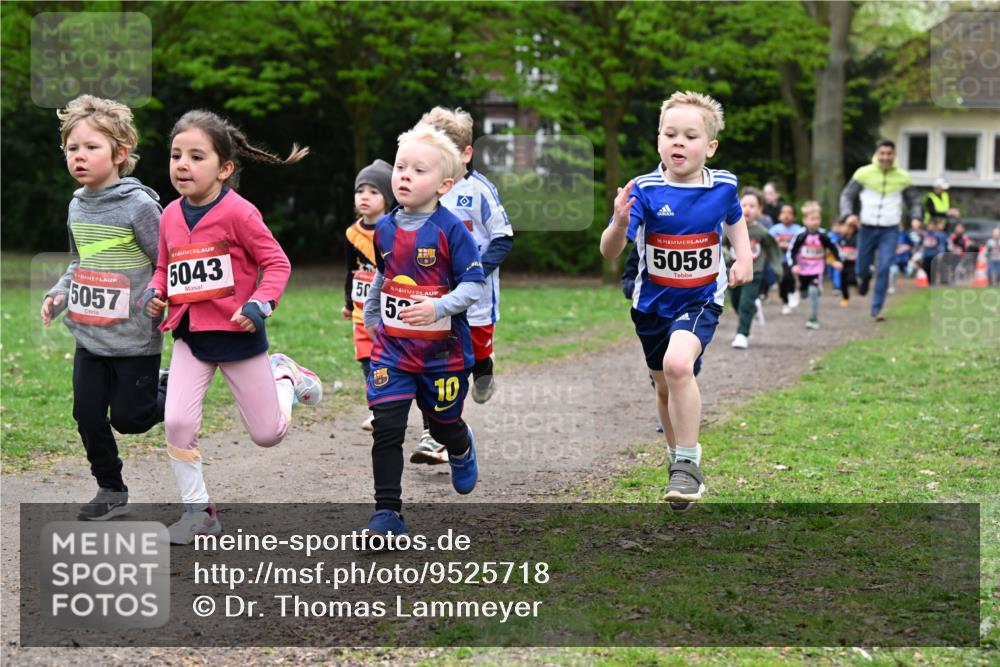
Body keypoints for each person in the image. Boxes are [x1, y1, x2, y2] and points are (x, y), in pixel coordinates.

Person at [142, 110, 322, 544]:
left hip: (238, 335)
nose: (182, 165)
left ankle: (284, 375)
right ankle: (199, 513)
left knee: (267, 434)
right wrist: (155, 291)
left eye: (196, 156)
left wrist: (261, 303)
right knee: (177, 422)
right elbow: (164, 267)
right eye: (176, 155)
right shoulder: (169, 215)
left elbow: (276, 263)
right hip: (191, 336)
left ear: (224, 169)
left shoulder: (240, 213)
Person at [599, 91, 753, 510]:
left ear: (710, 147)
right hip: (652, 306)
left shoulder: (723, 185)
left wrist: (744, 256)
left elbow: (734, 217)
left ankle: (687, 463)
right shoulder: (643, 190)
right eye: (670, 134)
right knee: (664, 386)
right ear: (658, 141)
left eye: (690, 136)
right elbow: (609, 252)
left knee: (678, 365)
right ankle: (678, 460)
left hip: (701, 299)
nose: (678, 142)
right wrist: (618, 223)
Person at [40, 95, 166, 521]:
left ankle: (172, 387)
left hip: (135, 337)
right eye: (72, 148)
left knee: (132, 420)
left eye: (91, 147)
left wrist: (159, 294)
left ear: (119, 153)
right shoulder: (77, 204)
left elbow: (165, 262)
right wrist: (59, 294)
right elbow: (80, 261)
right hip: (91, 335)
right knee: (87, 414)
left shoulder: (139, 206)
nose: (79, 156)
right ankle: (111, 488)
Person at [361, 124, 486, 538]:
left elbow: (473, 285)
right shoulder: (384, 228)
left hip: (442, 354)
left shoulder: (451, 230)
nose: (405, 176)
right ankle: (387, 513)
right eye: (401, 167)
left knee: (443, 423)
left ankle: (460, 445)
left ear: (443, 185)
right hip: (393, 350)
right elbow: (384, 274)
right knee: (387, 427)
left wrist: (438, 306)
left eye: (418, 170)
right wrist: (373, 314)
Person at [409, 106, 514, 464]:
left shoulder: (480, 191)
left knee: (473, 357)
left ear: (465, 154)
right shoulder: (424, 191)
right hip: (433, 300)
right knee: (433, 366)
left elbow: (503, 238)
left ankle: (484, 366)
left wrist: (473, 273)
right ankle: (433, 435)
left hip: (477, 302)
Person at [839, 139, 923, 321]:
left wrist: (916, 217)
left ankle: (876, 309)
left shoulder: (903, 177)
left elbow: (914, 200)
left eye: (889, 154)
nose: (885, 157)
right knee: (861, 269)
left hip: (890, 229)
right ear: (877, 154)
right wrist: (848, 215)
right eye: (882, 153)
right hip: (866, 227)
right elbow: (847, 195)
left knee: (884, 267)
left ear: (894, 155)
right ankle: (864, 278)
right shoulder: (864, 173)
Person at [343, 159, 395, 432]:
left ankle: (394, 405)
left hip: (390, 312)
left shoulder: (396, 229)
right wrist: (348, 304)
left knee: (390, 363)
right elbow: (350, 272)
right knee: (367, 361)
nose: (365, 196)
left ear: (387, 198)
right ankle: (378, 411)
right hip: (361, 312)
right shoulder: (352, 233)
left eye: (374, 192)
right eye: (360, 190)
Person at [724, 187, 782, 349]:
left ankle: (742, 334)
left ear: (760, 210)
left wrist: (777, 270)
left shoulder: (761, 232)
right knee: (736, 303)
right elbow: (721, 244)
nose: (747, 209)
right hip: (733, 272)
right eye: (744, 205)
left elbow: (773, 250)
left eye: (752, 206)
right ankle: (754, 308)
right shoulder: (730, 228)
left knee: (745, 303)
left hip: (754, 272)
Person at [789, 201, 843, 329]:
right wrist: (794, 265)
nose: (815, 221)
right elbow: (792, 251)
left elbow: (834, 247)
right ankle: (803, 289)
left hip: (817, 269)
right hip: (803, 269)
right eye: (812, 219)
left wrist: (838, 260)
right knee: (805, 292)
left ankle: (813, 319)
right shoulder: (800, 235)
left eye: (818, 218)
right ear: (805, 220)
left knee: (813, 291)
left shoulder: (823, 235)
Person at [770, 203, 804, 315]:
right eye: (783, 212)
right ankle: (785, 302)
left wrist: (790, 246)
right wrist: (776, 243)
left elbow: (802, 244)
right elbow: (769, 243)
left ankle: (792, 291)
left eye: (789, 213)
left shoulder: (798, 230)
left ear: (794, 217)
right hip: (778, 259)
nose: (786, 215)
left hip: (792, 260)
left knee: (788, 276)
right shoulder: (775, 229)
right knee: (782, 280)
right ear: (779, 215)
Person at [919, 218, 949, 285]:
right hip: (926, 255)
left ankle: (935, 282)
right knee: (926, 268)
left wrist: (941, 253)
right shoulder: (924, 234)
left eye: (932, 225)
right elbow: (920, 244)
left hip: (934, 254)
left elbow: (941, 245)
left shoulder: (938, 234)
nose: (930, 226)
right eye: (929, 225)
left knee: (934, 268)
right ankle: (930, 281)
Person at [837, 218, 859, 305]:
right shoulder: (841, 239)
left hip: (853, 263)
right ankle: (845, 298)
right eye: (845, 227)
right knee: (843, 282)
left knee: (851, 278)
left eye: (849, 227)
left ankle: (856, 284)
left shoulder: (857, 239)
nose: (847, 229)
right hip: (843, 264)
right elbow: (837, 250)